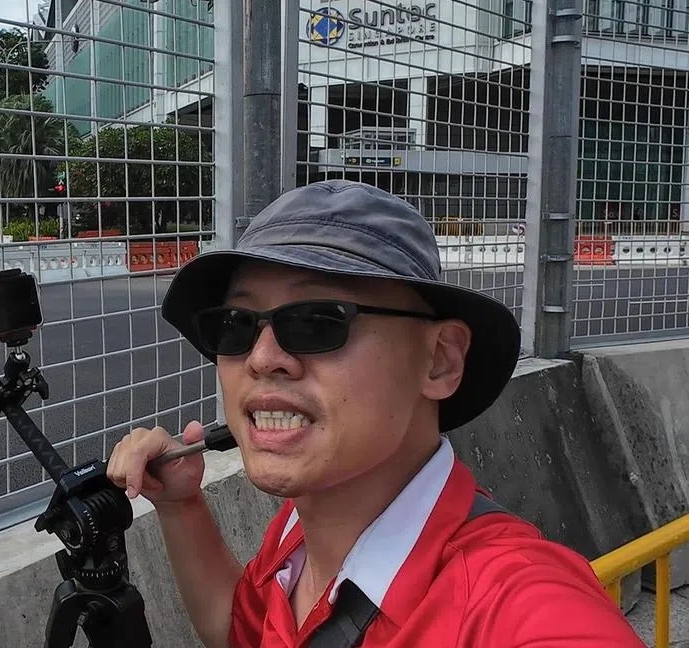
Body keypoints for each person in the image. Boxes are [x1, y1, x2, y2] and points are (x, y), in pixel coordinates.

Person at [106, 180, 644, 648]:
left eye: (318, 320)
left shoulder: (514, 604)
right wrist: (181, 508)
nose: (263, 357)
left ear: (439, 359)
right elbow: (242, 632)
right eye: (235, 323)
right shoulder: (301, 529)